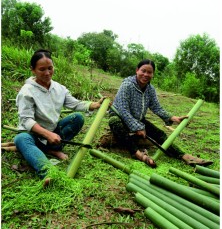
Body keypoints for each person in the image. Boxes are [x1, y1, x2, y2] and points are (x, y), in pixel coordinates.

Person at [14, 49, 105, 184]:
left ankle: (50, 149)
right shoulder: (27, 91)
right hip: (34, 134)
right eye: (42, 69)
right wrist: (47, 134)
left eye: (50, 68)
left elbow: (74, 104)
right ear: (33, 70)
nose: (47, 73)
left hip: (53, 133)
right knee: (21, 139)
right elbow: (26, 120)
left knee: (77, 118)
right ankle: (48, 171)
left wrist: (94, 104)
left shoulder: (59, 88)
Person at [108, 59, 213, 168]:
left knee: (160, 134)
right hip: (120, 116)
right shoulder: (127, 85)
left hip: (138, 119)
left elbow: (156, 107)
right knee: (114, 122)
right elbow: (123, 110)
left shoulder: (150, 89)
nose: (146, 74)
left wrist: (172, 118)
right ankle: (138, 154)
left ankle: (185, 156)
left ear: (153, 74)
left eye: (149, 72)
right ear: (137, 70)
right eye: (143, 71)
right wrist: (137, 127)